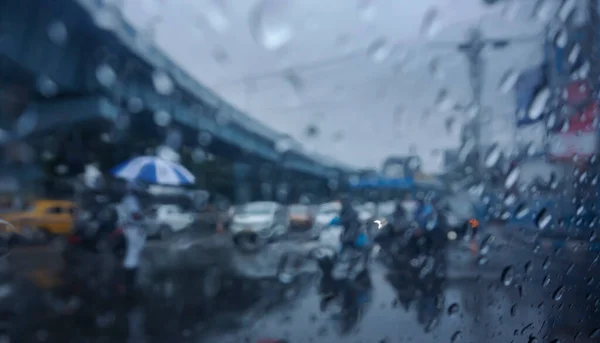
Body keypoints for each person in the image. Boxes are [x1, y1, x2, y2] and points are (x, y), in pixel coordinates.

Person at [119, 180, 147, 293]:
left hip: (130, 228)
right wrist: (145, 214)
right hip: (132, 229)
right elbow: (135, 215)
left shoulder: (127, 199)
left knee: (133, 255)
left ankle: (129, 282)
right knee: (132, 255)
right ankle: (129, 284)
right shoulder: (131, 200)